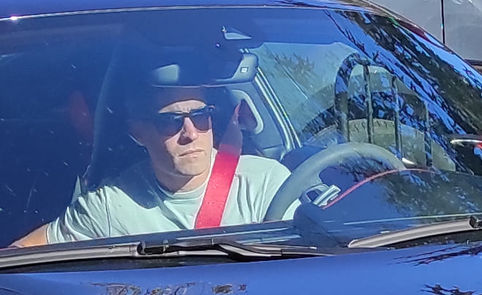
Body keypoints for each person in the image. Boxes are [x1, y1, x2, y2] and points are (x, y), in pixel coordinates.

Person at [24, 54, 287, 245]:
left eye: (199, 116)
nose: (191, 133)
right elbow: (20, 256)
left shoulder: (265, 183)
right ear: (137, 133)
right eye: (170, 121)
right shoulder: (111, 205)